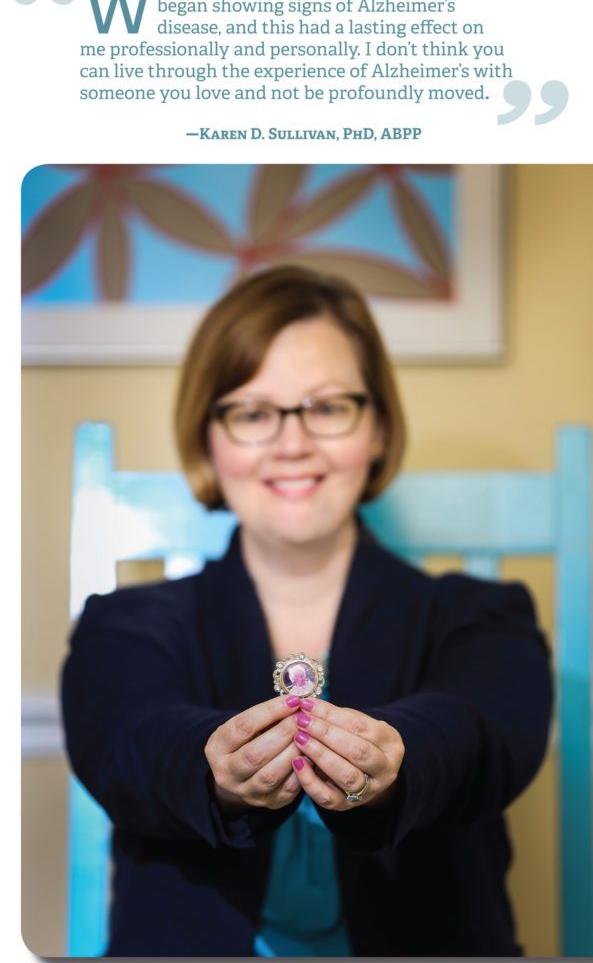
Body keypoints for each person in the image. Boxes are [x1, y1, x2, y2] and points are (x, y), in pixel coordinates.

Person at [61, 265, 552, 957]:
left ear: (377, 426)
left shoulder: (480, 617)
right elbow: (129, 738)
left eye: (326, 407)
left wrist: (397, 757)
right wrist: (212, 767)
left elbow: (481, 731)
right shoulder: (123, 628)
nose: (292, 443)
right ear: (209, 439)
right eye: (252, 412)